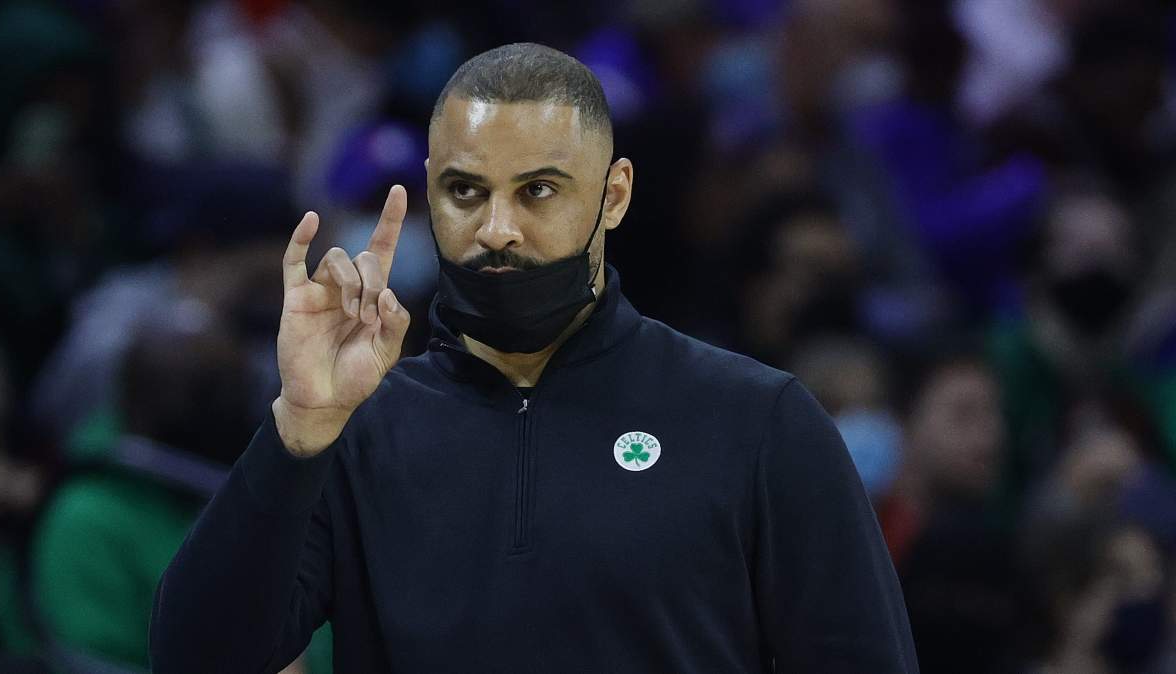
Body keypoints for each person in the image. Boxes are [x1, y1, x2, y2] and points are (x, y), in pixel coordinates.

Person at [149, 43, 917, 673]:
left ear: (614, 195)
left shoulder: (756, 420)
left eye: (538, 191)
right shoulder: (360, 431)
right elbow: (196, 659)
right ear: (429, 190)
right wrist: (298, 427)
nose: (497, 229)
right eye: (466, 191)